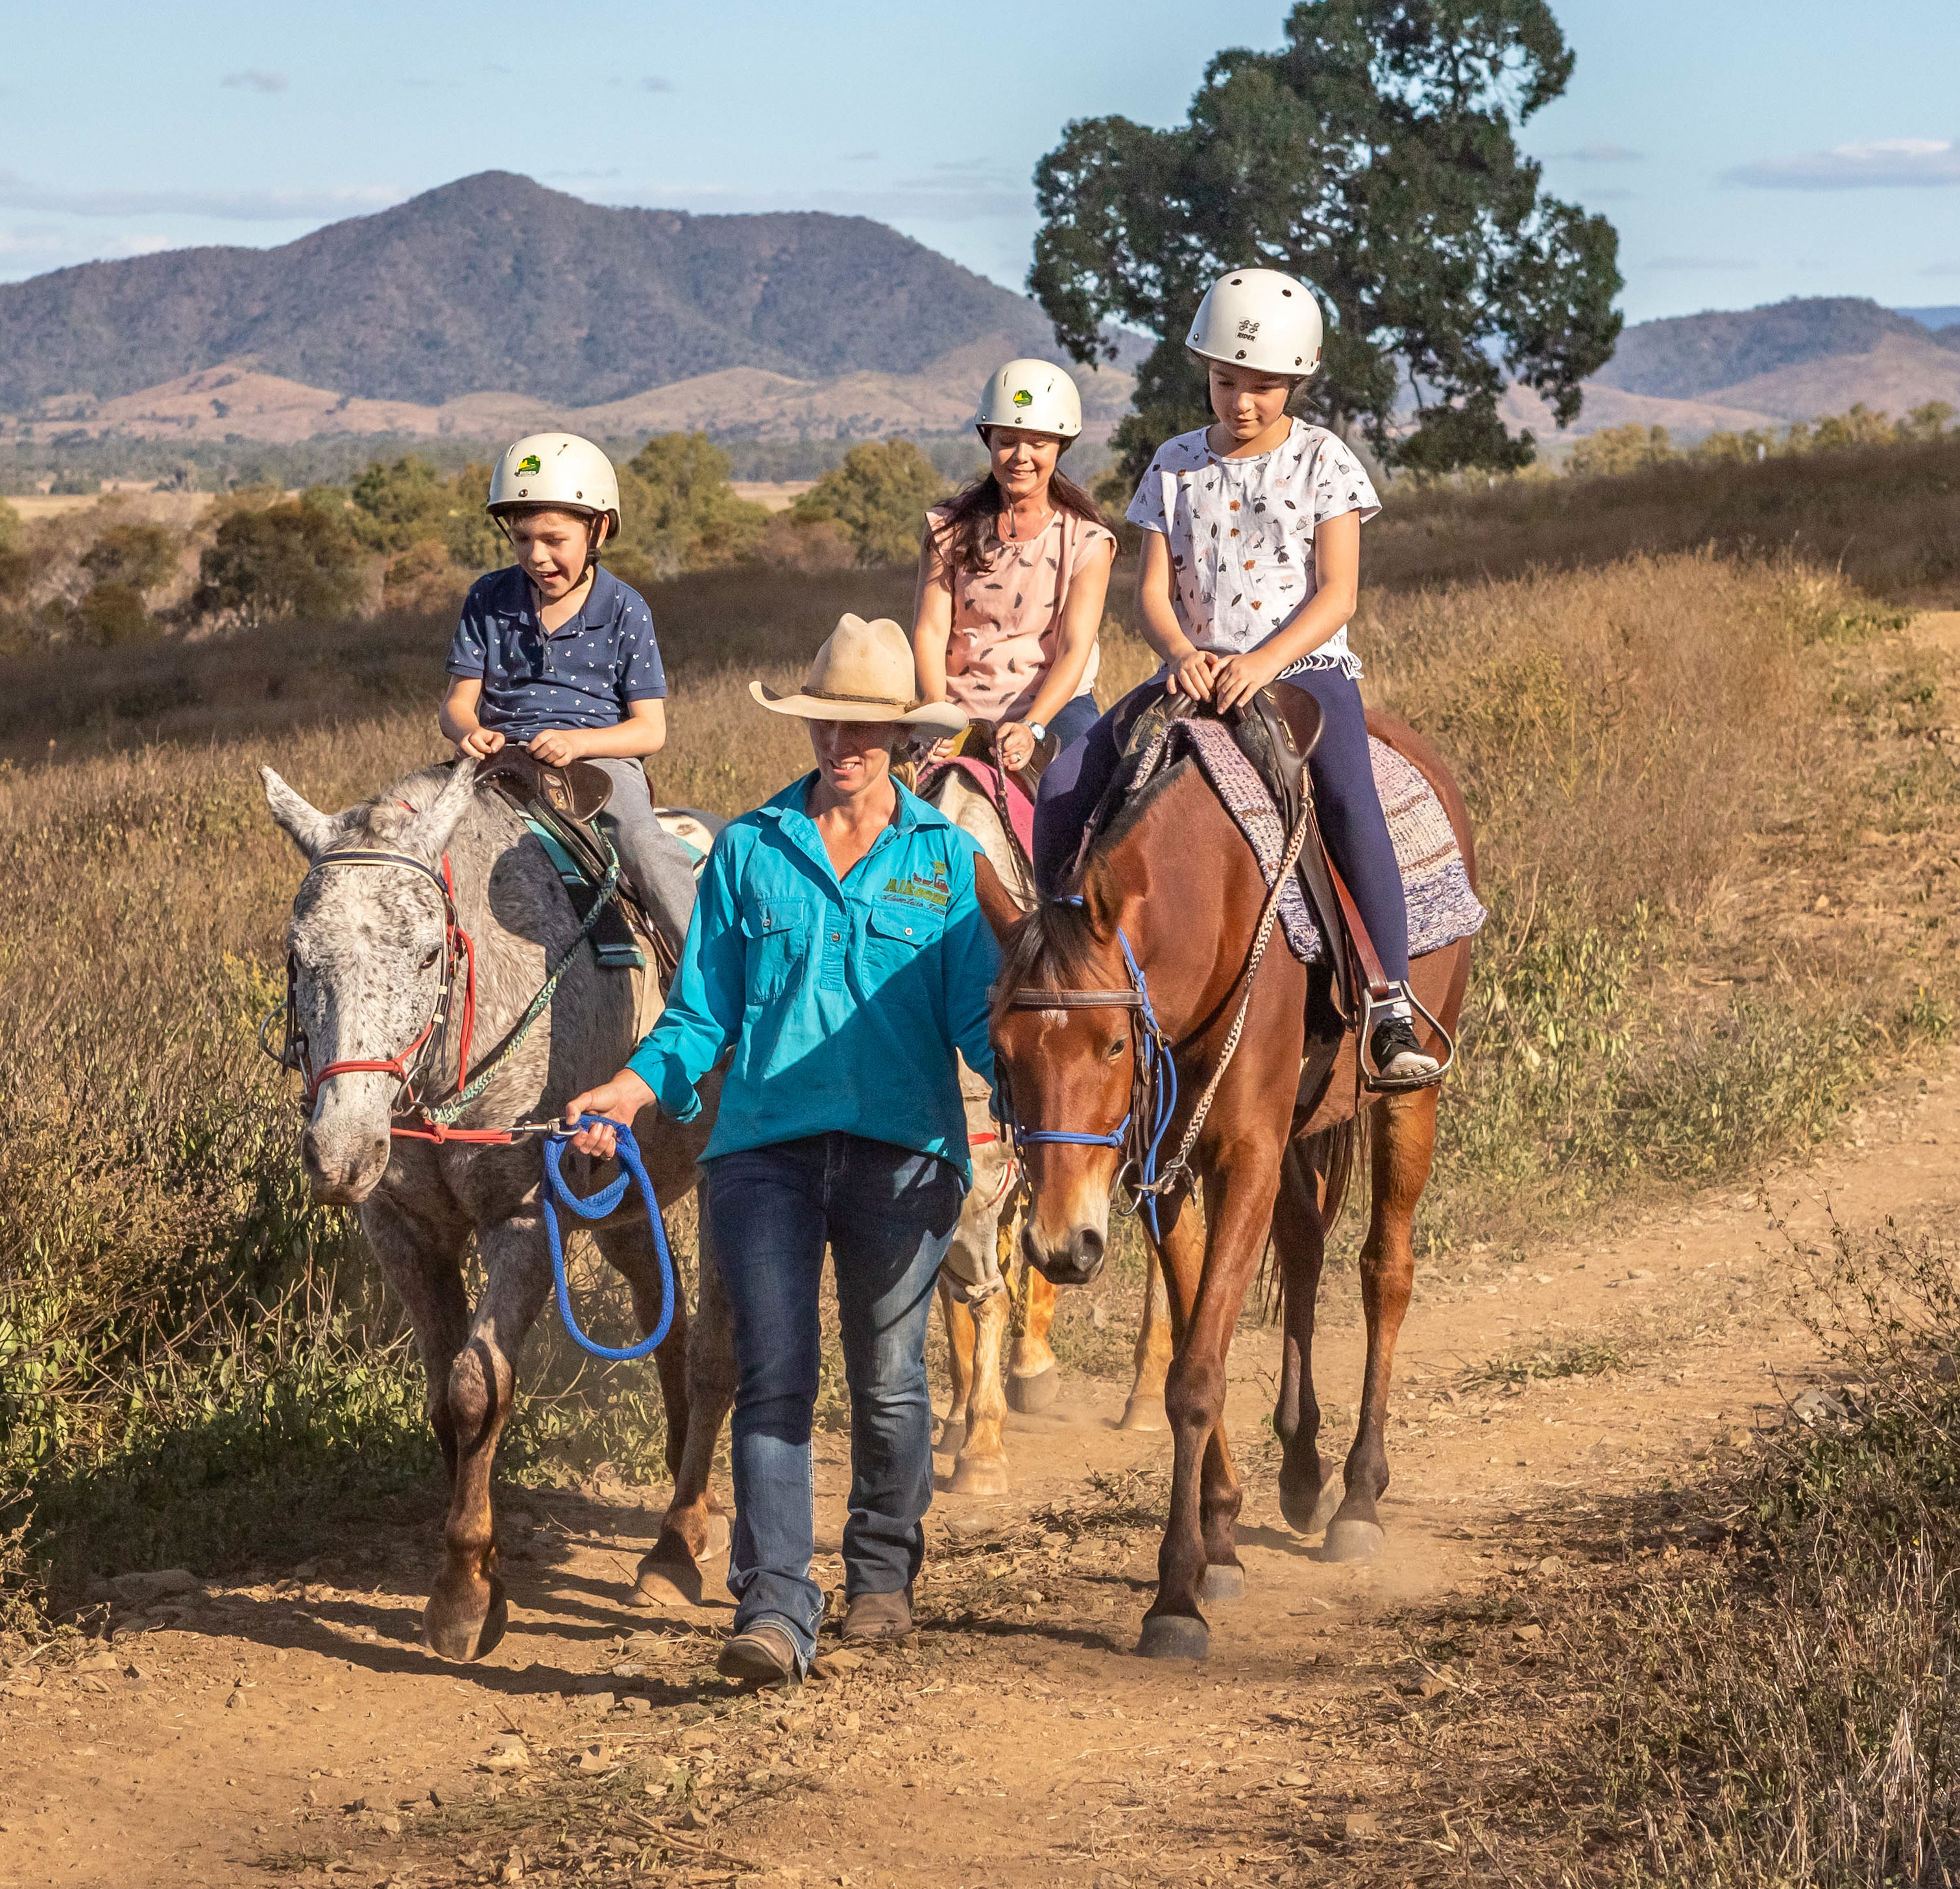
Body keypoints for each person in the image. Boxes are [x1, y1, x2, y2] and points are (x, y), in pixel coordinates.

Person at [559, 614, 999, 1687]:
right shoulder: (752, 848)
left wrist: (1046, 1088)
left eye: (865, 725)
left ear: (901, 736)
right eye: (825, 721)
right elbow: (698, 1015)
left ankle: (883, 1564)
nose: (841, 741)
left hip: (905, 1153)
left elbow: (980, 1022)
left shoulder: (946, 861)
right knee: (774, 1375)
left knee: (892, 1383)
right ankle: (772, 1605)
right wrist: (625, 1086)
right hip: (761, 1150)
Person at [1030, 267, 1443, 1086]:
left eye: (1261, 385)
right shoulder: (1174, 462)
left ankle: (1389, 1000)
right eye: (1225, 381)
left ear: (1293, 380)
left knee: (1347, 796)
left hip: (1301, 668)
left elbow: (1338, 592)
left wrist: (1261, 661)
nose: (1241, 401)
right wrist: (1182, 651)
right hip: (1190, 670)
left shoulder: (1324, 459)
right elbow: (1151, 590)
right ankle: (1060, 970)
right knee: (1064, 786)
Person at [441, 431, 696, 951]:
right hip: (501, 760)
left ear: (598, 528)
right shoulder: (488, 598)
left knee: (644, 845)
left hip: (598, 763)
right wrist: (471, 732)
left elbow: (651, 731)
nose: (536, 556)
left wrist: (578, 743)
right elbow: (456, 706)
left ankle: (707, 975)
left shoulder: (626, 609)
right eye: (522, 538)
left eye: (554, 539)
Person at [909, 357, 1118, 783]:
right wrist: (934, 711)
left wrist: (1033, 726)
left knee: (1087, 796)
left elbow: (1075, 649)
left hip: (1054, 707)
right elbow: (930, 630)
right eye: (1007, 440)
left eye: (1038, 443)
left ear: (1061, 445)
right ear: (988, 440)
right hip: (957, 705)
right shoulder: (947, 530)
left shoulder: (1086, 542)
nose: (1020, 457)